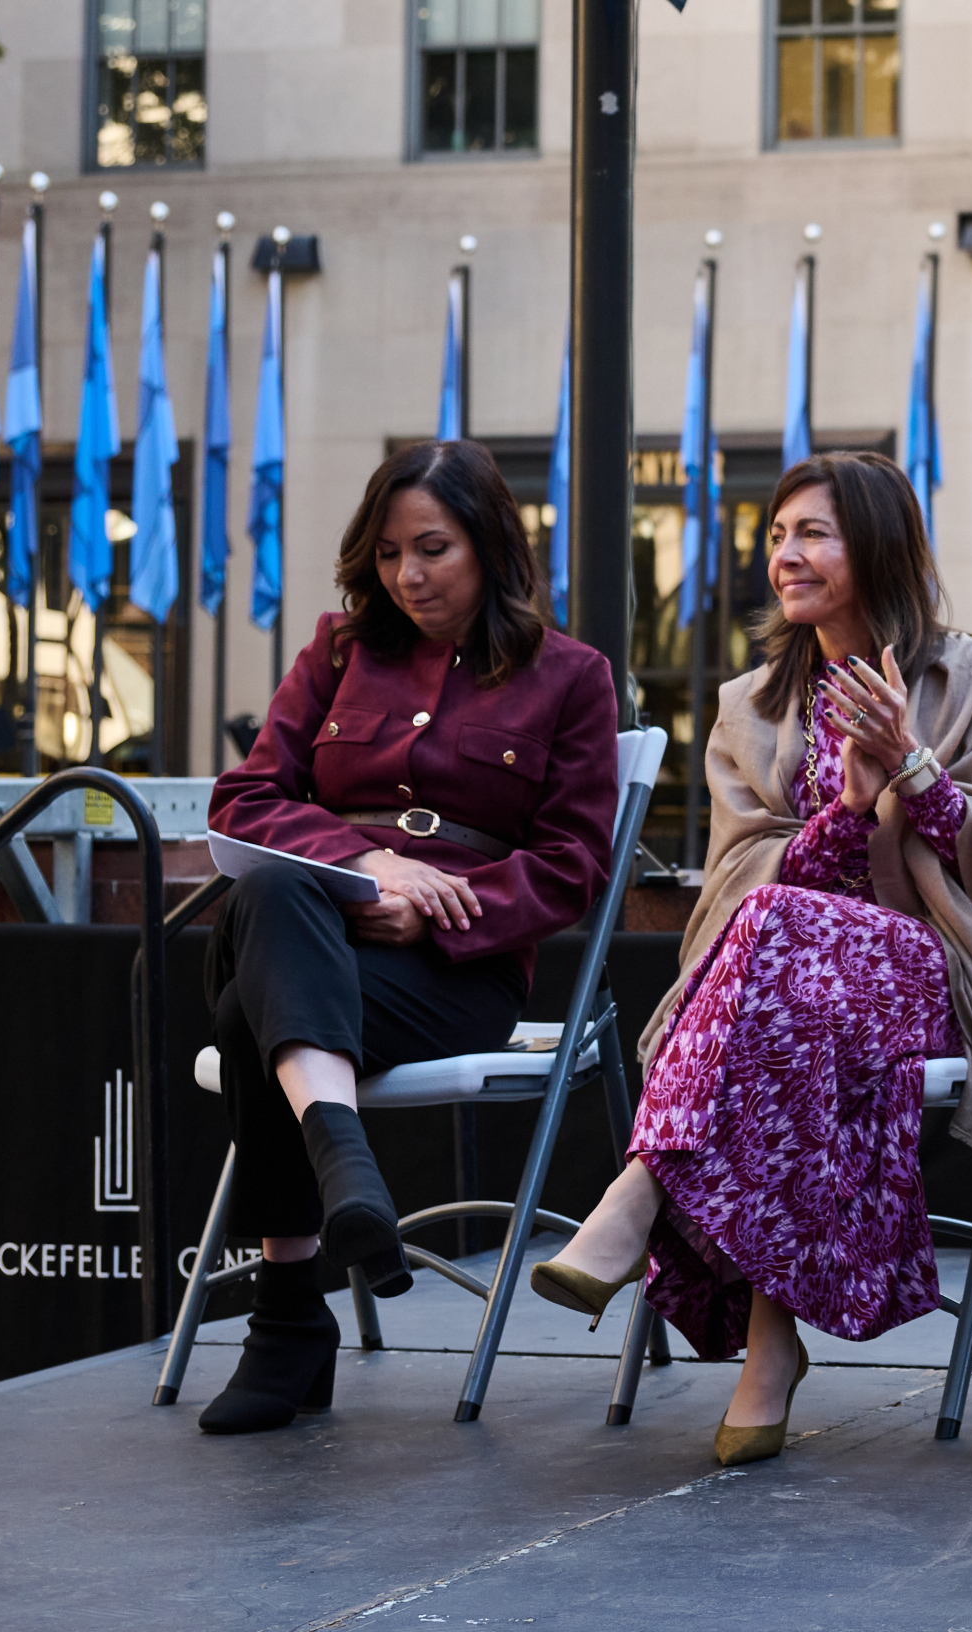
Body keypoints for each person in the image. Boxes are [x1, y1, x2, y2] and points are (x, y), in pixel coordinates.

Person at [534, 453, 972, 1467]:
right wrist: (846, 816)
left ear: (877, 546)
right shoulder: (752, 703)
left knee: (779, 939)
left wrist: (911, 769)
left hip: (925, 972)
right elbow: (736, 878)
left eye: (812, 533)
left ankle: (641, 1191)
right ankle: (769, 1349)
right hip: (782, 994)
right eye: (777, 535)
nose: (786, 555)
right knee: (785, 960)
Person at [192, 440, 623, 1435]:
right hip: (317, 928)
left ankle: (288, 1318)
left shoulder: (569, 677)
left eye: (432, 548)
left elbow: (572, 865)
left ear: (488, 544)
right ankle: (344, 1164)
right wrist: (366, 871)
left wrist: (436, 904)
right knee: (276, 898)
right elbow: (246, 797)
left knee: (247, 1007)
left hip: (448, 973)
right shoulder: (339, 653)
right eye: (388, 555)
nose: (409, 576)